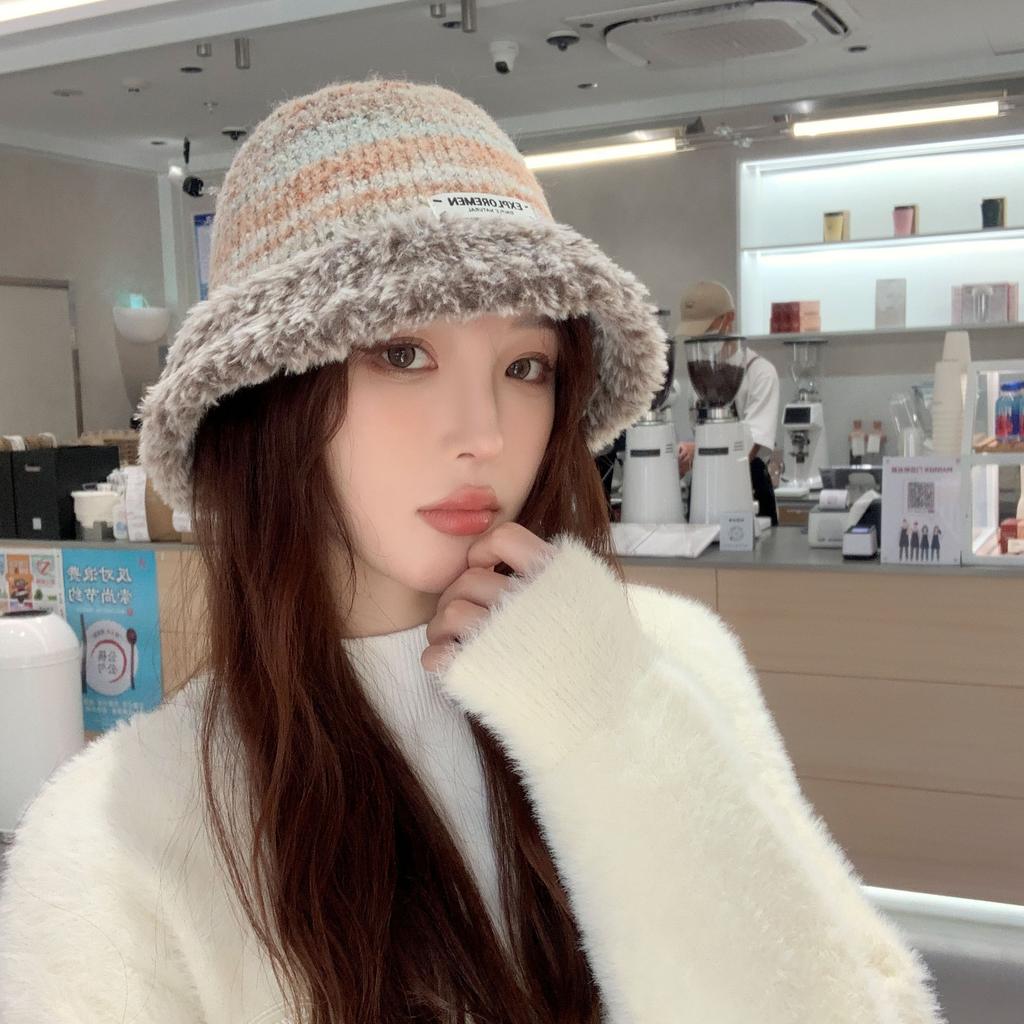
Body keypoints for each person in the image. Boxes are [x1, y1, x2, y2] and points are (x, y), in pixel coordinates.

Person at [0, 78, 945, 1024]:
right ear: (263, 394)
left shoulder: (661, 663)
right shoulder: (122, 838)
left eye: (526, 367)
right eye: (402, 354)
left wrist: (611, 731)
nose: (485, 432)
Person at [674, 281, 781, 526]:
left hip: (748, 487)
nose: (700, 339)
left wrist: (697, 451)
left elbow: (750, 447)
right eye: (694, 334)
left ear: (729, 319)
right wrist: (684, 459)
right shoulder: (700, 377)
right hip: (704, 487)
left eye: (706, 330)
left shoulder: (761, 373)